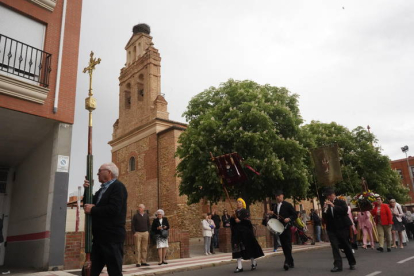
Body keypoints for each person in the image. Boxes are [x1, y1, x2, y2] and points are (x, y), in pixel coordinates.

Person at [83, 162, 128, 276]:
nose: (97, 173)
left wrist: (93, 210)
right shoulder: (101, 190)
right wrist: (87, 189)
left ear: (109, 172)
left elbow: (114, 209)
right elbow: (89, 204)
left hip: (112, 239)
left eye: (100, 170)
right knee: (88, 272)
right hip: (99, 239)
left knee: (114, 272)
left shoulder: (118, 187)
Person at [322, 188, 356, 272]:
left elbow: (344, 211)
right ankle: (337, 265)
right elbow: (325, 217)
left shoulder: (341, 202)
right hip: (332, 228)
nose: (328, 197)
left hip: (342, 227)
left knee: (346, 245)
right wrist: (324, 209)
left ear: (333, 195)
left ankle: (352, 262)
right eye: (327, 196)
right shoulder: (327, 204)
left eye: (329, 195)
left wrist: (333, 206)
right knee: (334, 247)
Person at [231, 198, 264, 273]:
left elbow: (248, 222)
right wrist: (233, 217)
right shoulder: (235, 212)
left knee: (249, 248)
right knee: (237, 249)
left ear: (242, 204)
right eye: (237, 202)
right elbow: (232, 223)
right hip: (237, 234)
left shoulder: (245, 211)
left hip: (245, 233)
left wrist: (240, 220)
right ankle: (239, 266)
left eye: (240, 202)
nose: (238, 203)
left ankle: (253, 263)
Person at [268, 190, 297, 271]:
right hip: (279, 228)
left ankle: (287, 262)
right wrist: (270, 215)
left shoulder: (287, 205)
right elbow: (275, 217)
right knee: (284, 246)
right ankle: (290, 261)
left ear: (282, 196)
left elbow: (295, 214)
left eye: (278, 195)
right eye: (276, 196)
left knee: (287, 244)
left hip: (286, 227)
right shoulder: (275, 206)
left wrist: (289, 218)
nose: (277, 197)